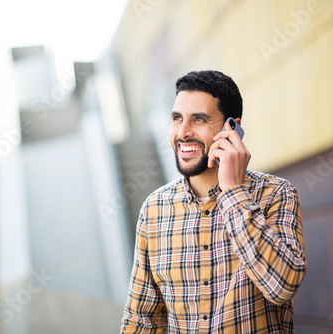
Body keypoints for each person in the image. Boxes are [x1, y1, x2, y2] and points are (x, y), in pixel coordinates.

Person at [120, 70, 307, 333]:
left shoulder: (276, 194)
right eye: (176, 119)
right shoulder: (154, 209)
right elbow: (143, 320)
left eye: (199, 119)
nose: (183, 133)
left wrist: (232, 191)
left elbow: (282, 287)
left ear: (231, 128)